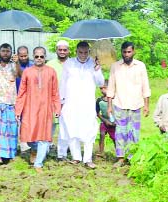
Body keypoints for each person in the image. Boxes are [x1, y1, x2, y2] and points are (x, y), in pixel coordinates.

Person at [15, 47, 61, 172]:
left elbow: (55, 92)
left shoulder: (51, 72)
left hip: (46, 109)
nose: (39, 59)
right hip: (30, 109)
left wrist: (57, 108)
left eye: (42, 56)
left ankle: (38, 163)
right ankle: (35, 149)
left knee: (44, 136)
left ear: (45, 57)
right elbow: (22, 92)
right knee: (28, 136)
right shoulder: (27, 72)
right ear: (33, 57)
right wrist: (18, 110)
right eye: (37, 56)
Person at [59, 41, 104, 169]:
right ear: (76, 52)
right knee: (72, 128)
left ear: (89, 52)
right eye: (80, 52)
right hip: (71, 102)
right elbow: (63, 83)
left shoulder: (93, 63)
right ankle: (76, 157)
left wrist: (97, 70)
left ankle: (88, 159)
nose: (83, 55)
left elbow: (100, 83)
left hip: (87, 103)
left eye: (85, 52)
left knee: (89, 129)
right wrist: (61, 101)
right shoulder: (69, 63)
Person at [107, 41, 151, 167]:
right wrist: (109, 106)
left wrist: (147, 105)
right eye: (124, 52)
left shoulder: (140, 66)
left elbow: (145, 86)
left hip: (136, 104)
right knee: (120, 132)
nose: (126, 54)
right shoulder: (115, 66)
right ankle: (120, 157)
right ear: (121, 52)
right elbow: (111, 86)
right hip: (119, 103)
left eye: (129, 52)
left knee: (134, 132)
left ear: (134, 51)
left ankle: (132, 157)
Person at [47, 40, 70, 161]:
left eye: (64, 50)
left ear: (68, 51)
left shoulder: (73, 64)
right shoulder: (50, 64)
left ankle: (65, 149)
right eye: (60, 49)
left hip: (70, 100)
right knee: (51, 124)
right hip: (53, 99)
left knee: (66, 126)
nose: (62, 52)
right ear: (56, 50)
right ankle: (48, 147)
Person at [15, 46, 34, 153]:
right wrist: (16, 63)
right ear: (17, 55)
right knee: (18, 121)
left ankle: (28, 142)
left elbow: (23, 76)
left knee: (27, 121)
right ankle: (22, 143)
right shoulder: (12, 64)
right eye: (21, 56)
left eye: (25, 55)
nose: (23, 58)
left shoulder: (32, 65)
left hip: (29, 97)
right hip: (15, 97)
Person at [96, 81, 116, 156]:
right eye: (101, 88)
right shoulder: (99, 101)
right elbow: (97, 113)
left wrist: (114, 122)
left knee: (115, 139)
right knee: (102, 135)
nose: (102, 90)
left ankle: (119, 154)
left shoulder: (115, 99)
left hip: (114, 123)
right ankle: (101, 152)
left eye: (105, 88)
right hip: (104, 122)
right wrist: (105, 120)